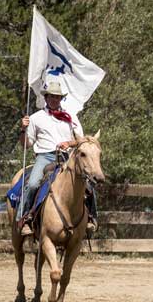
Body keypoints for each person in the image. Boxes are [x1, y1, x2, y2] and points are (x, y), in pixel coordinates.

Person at [18, 79, 97, 237]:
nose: (54, 99)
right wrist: (22, 130)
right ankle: (26, 218)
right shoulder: (35, 118)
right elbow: (26, 144)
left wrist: (69, 142)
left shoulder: (70, 117)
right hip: (45, 156)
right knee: (33, 184)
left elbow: (82, 140)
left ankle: (91, 218)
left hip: (68, 157)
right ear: (46, 98)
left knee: (89, 183)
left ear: (61, 99)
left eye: (57, 97)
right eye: (51, 96)